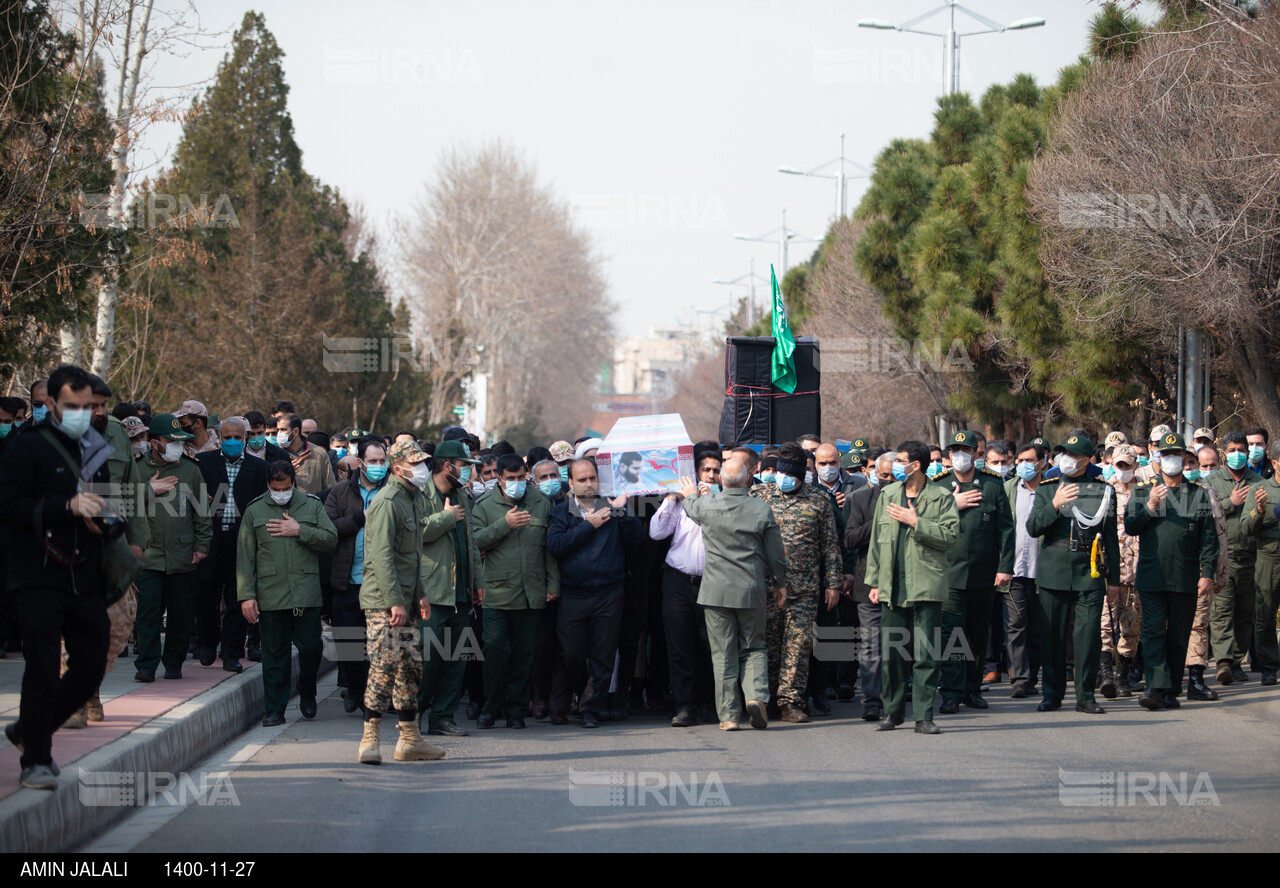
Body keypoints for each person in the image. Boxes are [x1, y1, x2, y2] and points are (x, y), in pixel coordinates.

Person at [0, 365, 113, 788]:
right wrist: (65, 508)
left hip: (86, 573)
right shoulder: (24, 447)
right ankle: (37, 759)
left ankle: (29, 728)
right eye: (73, 406)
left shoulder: (97, 447)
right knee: (43, 667)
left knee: (90, 666)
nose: (83, 414)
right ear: (51, 403)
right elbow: (8, 507)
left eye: (89, 407)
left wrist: (109, 522)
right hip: (38, 573)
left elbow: (105, 504)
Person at [679, 459, 787, 730]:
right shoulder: (761, 509)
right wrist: (780, 582)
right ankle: (755, 697)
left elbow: (691, 506)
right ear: (748, 480)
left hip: (716, 593)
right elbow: (775, 552)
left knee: (723, 653)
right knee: (754, 647)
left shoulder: (710, 507)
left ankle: (728, 716)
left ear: (721, 481)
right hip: (751, 590)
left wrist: (691, 493)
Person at [357, 439, 444, 764]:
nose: (423, 469)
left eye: (423, 463)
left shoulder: (411, 499)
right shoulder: (388, 502)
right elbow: (381, 557)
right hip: (384, 601)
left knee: (410, 668)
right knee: (385, 665)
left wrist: (419, 594)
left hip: (405, 599)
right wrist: (395, 601)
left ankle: (410, 740)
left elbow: (410, 557)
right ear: (398, 469)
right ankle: (370, 737)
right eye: (416, 463)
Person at [865, 440, 960, 735]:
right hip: (892, 584)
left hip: (926, 583)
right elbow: (876, 541)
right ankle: (892, 712)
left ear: (915, 465)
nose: (895, 465)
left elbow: (950, 536)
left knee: (926, 653)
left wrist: (916, 522)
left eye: (901, 460)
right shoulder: (888, 494)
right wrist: (873, 580)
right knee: (892, 653)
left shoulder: (941, 496)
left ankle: (923, 715)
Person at [1026, 435, 1122, 714]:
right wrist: (1054, 504)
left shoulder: (1104, 491)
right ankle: (1052, 694)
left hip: (1088, 569)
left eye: (1071, 454)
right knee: (1052, 636)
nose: (1064, 458)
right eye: (1061, 453)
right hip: (1053, 569)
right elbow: (1033, 528)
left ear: (1085, 459)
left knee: (1087, 636)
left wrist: (1113, 579)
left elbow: (1111, 539)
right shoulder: (1047, 489)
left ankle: (1085, 696)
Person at [237, 460, 337, 725]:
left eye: (286, 487)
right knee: (274, 656)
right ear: (268, 486)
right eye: (275, 488)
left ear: (294, 482)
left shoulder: (312, 505)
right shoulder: (255, 510)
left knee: (311, 648)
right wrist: (247, 595)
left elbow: (331, 538)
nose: (281, 492)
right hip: (271, 594)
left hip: (306, 593)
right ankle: (275, 709)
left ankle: (307, 691)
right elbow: (245, 558)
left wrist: (300, 530)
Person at [1125, 432, 1219, 710]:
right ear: (1158, 458)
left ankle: (1171, 689)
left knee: (1178, 636)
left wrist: (1208, 573)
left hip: (1185, 576)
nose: (1171, 460)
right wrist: (1151, 506)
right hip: (1153, 575)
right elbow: (1131, 526)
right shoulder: (1142, 491)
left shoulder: (1198, 494)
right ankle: (1155, 686)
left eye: (1176, 455)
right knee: (1153, 632)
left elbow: (1209, 539)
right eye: (1166, 455)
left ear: (1184, 459)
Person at [548, 458, 642, 728]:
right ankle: (583, 694)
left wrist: (625, 513)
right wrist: (588, 524)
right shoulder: (560, 512)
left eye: (592, 478)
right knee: (572, 653)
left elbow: (637, 539)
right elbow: (556, 545)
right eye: (582, 479)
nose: (589, 484)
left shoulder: (611, 506)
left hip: (609, 593)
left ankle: (591, 708)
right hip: (574, 594)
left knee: (603, 655)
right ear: (571, 483)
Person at [751, 442, 841, 723]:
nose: (784, 478)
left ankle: (791, 702)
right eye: (780, 472)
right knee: (769, 645)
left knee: (799, 646)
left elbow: (830, 545)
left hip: (805, 588)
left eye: (791, 474)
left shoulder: (818, 500)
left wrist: (833, 583)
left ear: (803, 476)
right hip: (766, 586)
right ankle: (765, 701)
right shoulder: (757, 496)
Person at [472, 453, 559, 729]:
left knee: (524, 657)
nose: (517, 483)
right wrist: (504, 525)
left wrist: (553, 583)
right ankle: (491, 707)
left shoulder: (540, 502)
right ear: (499, 479)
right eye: (511, 479)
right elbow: (474, 542)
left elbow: (549, 548)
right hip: (496, 593)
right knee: (495, 653)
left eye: (521, 478)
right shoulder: (484, 506)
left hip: (531, 592)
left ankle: (516, 711)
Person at [933, 430, 1014, 714]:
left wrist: (1005, 567)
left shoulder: (992, 485)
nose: (959, 455)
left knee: (978, 634)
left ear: (976, 454)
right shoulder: (939, 486)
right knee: (951, 634)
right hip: (948, 574)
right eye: (954, 450)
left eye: (965, 450)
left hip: (984, 573)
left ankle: (972, 688)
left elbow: (1005, 528)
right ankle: (952, 692)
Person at [133, 414, 211, 683]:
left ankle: (174, 661)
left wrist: (202, 544)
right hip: (147, 554)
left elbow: (202, 511)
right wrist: (146, 490)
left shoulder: (190, 469)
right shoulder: (137, 469)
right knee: (148, 613)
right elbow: (121, 504)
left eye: (180, 441)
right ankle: (146, 663)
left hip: (182, 554)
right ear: (154, 443)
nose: (177, 446)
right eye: (170, 441)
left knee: (180, 613)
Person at [416, 440, 485, 737]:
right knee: (428, 660)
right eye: (465, 465)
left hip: (461, 593)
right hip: (432, 591)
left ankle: (442, 717)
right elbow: (414, 532)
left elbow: (471, 543)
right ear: (448, 466)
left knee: (456, 660)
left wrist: (478, 582)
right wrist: (445, 518)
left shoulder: (461, 495)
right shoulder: (419, 494)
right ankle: (412, 715)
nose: (468, 471)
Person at [649, 449, 719, 727]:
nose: (711, 475)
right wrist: (670, 499)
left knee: (710, 647)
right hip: (679, 581)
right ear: (695, 472)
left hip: (713, 583)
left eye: (716, 470)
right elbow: (656, 533)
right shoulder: (677, 503)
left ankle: (709, 703)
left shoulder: (725, 499)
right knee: (680, 646)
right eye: (706, 470)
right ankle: (684, 705)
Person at [195, 416, 267, 674]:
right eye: (228, 437)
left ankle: (231, 652)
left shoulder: (259, 469)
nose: (233, 442)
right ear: (219, 437)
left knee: (237, 600)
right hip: (211, 540)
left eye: (238, 437)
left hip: (241, 541)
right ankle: (207, 644)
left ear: (245, 438)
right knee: (206, 597)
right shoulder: (203, 463)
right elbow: (190, 500)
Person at [325, 438, 388, 713]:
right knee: (350, 645)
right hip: (348, 581)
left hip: (382, 585)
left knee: (378, 648)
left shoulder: (395, 492)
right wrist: (359, 518)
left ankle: (371, 697)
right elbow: (327, 530)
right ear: (360, 463)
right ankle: (355, 687)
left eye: (382, 461)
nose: (378, 466)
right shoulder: (339, 493)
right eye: (372, 461)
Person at [1204, 431, 1264, 686]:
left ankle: (1237, 661)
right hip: (1222, 557)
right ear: (1224, 452)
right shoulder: (1212, 481)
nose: (1239, 454)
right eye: (1233, 449)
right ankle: (1223, 661)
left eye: (1243, 449)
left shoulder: (1259, 481)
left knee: (1245, 611)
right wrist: (1231, 502)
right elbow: (1205, 513)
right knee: (1222, 610)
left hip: (1250, 556)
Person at [843, 452, 895, 721]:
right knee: (871, 646)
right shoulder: (861, 499)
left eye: (892, 476)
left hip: (900, 585)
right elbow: (850, 538)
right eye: (882, 475)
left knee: (896, 644)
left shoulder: (912, 499)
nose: (887, 480)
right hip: (868, 585)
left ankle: (893, 700)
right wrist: (879, 521)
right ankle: (871, 701)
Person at [530, 459, 572, 721]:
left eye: (553, 475)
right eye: (543, 477)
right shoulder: (531, 505)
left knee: (566, 648)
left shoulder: (573, 504)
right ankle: (538, 697)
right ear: (533, 481)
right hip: (540, 586)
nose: (549, 481)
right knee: (541, 647)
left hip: (571, 585)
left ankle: (560, 702)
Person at [1003, 441, 1046, 699]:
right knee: (1016, 625)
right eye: (1019, 461)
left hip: (1043, 571)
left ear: (1042, 462)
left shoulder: (1052, 489)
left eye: (1029, 461)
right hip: (1014, 570)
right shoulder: (1007, 489)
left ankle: (1031, 676)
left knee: (1037, 628)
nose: (1023, 466)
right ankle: (1019, 678)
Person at [1250, 443, 1280, 686]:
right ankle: (1269, 666)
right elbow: (1246, 528)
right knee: (1266, 614)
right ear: (1276, 463)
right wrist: (1262, 511)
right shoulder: (1260, 489)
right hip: (1270, 557)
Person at [274, 413, 334, 495]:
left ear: (295, 431)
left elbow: (330, 488)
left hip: (313, 506)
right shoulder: (275, 454)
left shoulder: (319, 454)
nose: (279, 434)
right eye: (278, 430)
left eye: (283, 430)